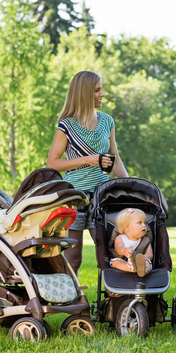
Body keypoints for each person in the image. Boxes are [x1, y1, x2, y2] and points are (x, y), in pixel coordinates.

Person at [46, 71, 128, 275]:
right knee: (73, 258)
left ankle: (110, 301)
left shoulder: (107, 121)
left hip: (102, 195)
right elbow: (52, 163)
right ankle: (73, 302)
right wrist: (87, 160)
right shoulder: (67, 125)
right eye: (97, 90)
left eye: (101, 89)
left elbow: (114, 157)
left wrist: (129, 184)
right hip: (74, 197)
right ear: (84, 93)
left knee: (108, 254)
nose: (102, 94)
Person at [110, 208, 153, 277]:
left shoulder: (145, 240)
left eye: (144, 222)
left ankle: (143, 270)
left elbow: (150, 254)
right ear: (127, 227)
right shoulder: (120, 238)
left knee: (148, 263)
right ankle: (130, 268)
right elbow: (118, 248)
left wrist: (142, 258)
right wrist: (124, 251)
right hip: (123, 260)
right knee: (116, 262)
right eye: (140, 223)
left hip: (140, 262)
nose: (144, 225)